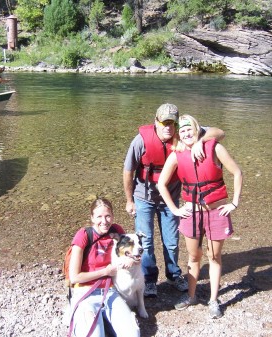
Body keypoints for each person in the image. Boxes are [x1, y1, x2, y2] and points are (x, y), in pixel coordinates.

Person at [123, 103, 225, 298]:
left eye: (173, 123)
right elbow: (128, 171)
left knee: (171, 242)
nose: (169, 127)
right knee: (147, 241)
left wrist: (201, 142)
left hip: (171, 197)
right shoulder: (140, 141)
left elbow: (219, 132)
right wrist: (129, 200)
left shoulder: (185, 134)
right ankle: (150, 279)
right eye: (165, 122)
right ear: (156, 121)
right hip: (143, 197)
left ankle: (173, 275)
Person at [157, 114, 242, 319]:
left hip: (216, 211)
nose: (186, 133)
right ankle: (191, 296)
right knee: (194, 257)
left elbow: (237, 173)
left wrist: (234, 202)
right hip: (192, 212)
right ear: (179, 133)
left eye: (190, 129)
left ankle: (213, 300)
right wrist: (175, 209)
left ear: (197, 130)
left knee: (214, 257)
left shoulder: (215, 148)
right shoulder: (176, 155)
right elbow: (161, 184)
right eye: (183, 130)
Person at [67, 198, 140, 337]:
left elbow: (130, 255)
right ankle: (84, 318)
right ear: (92, 218)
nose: (104, 221)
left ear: (112, 216)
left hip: (111, 292)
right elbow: (75, 277)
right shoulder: (83, 235)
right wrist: (105, 272)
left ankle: (104, 320)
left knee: (133, 334)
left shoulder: (117, 231)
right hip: (85, 292)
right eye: (99, 217)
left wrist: (131, 260)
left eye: (107, 216)